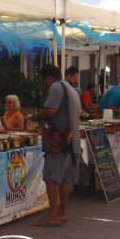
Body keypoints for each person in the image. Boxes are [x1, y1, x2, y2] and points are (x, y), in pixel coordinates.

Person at [34, 64, 81, 226]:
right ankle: (62, 213)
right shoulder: (71, 88)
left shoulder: (56, 87)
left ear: (49, 78)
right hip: (71, 141)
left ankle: (53, 215)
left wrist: (37, 117)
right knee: (66, 180)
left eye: (44, 79)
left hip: (58, 142)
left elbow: (51, 111)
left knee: (52, 178)